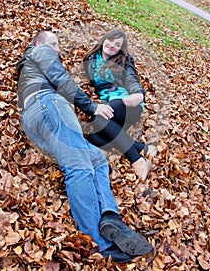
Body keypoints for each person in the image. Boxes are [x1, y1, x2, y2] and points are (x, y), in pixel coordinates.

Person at [16, 30, 153, 263]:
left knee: (97, 159)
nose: (58, 49)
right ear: (39, 43)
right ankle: (101, 243)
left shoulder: (31, 66)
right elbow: (61, 80)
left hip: (38, 119)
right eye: (54, 44)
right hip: (48, 105)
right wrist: (91, 107)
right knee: (79, 166)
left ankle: (109, 217)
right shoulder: (40, 50)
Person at [83, 29, 157, 180]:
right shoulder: (91, 59)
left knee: (98, 117)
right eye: (110, 40)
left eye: (117, 45)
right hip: (110, 103)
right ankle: (144, 148)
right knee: (95, 139)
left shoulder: (123, 60)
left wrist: (138, 94)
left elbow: (131, 79)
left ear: (121, 49)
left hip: (128, 105)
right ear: (104, 39)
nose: (112, 46)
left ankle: (136, 160)